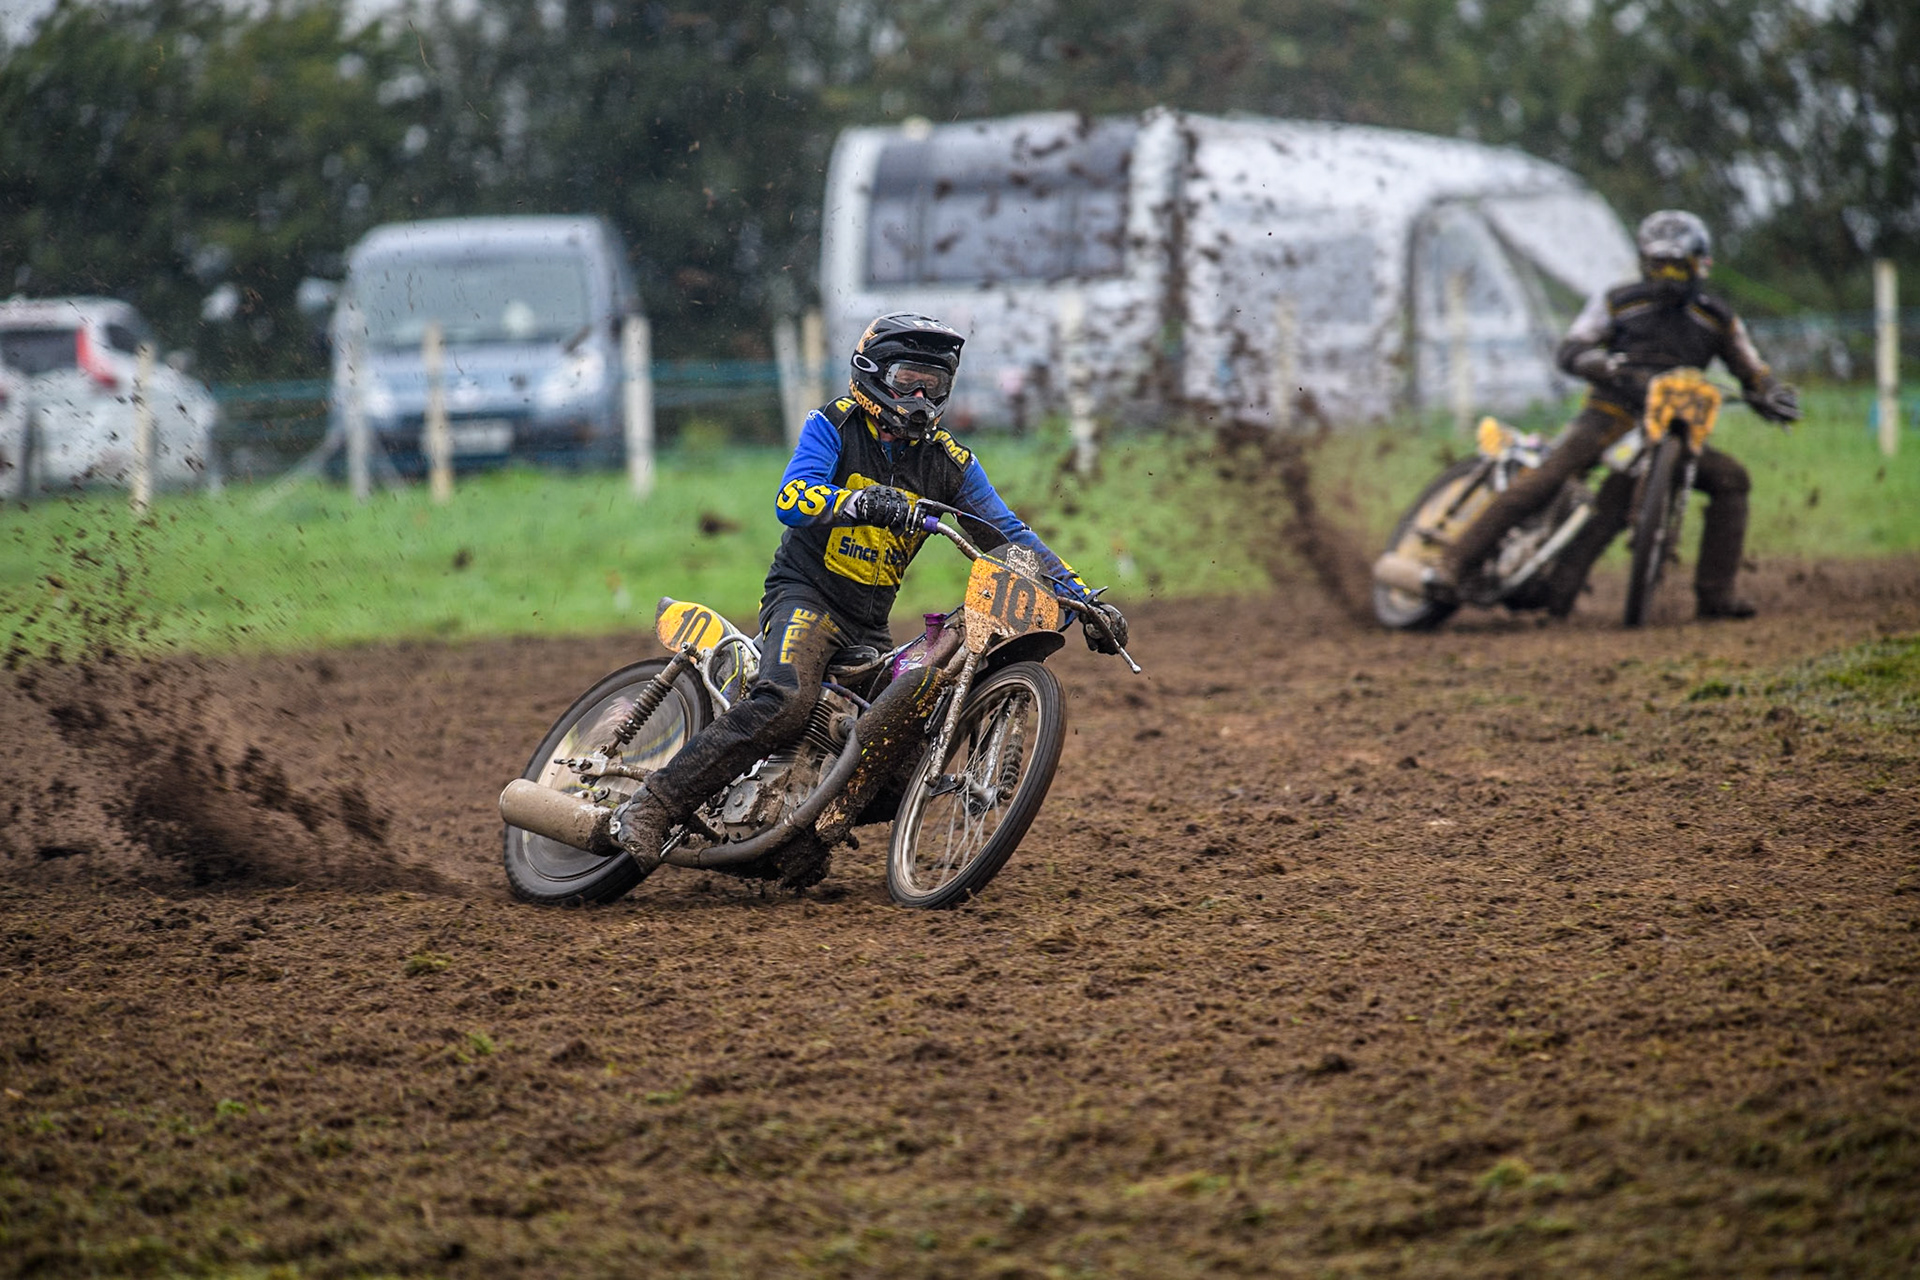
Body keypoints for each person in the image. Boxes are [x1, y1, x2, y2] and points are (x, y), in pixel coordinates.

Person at [612, 312, 1128, 876]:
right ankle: (654, 803)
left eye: (936, 385)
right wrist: (862, 502)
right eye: (910, 379)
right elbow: (792, 496)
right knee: (785, 701)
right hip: (806, 595)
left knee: (902, 754)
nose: (923, 396)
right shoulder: (834, 423)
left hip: (869, 628)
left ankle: (802, 834)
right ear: (873, 374)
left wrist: (1083, 600)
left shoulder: (950, 462)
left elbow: (1010, 535)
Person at [1424, 209, 1801, 620]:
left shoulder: (1718, 318)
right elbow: (1572, 347)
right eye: (1660, 266)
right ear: (1643, 263)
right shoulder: (1619, 301)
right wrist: (1598, 364)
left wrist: (1770, 395)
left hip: (1676, 430)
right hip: (1610, 414)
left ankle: (1716, 595)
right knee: (1549, 476)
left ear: (1701, 266)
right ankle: (1453, 564)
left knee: (1731, 479)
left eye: (1679, 268)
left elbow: (1753, 371)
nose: (1668, 278)